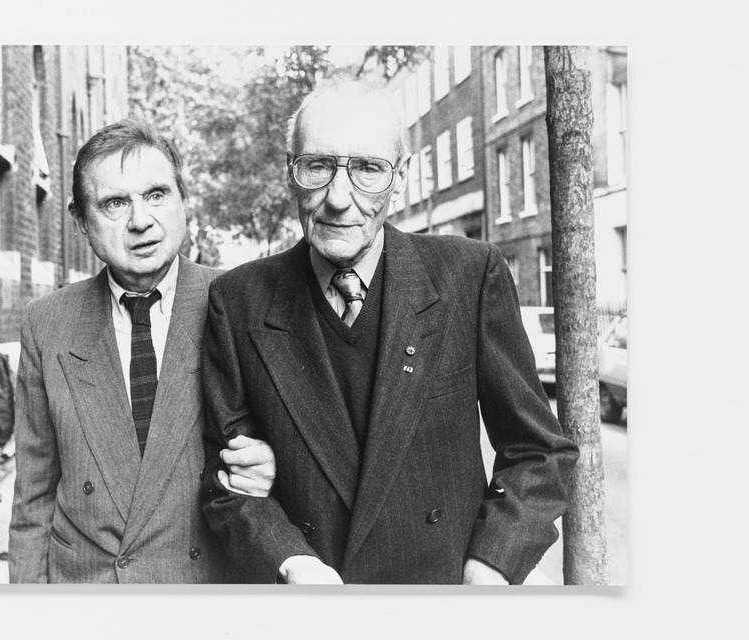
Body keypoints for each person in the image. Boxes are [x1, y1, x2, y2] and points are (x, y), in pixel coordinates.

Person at [201, 80, 580, 585]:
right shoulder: (238, 300)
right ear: (290, 172)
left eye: (368, 169)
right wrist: (291, 561)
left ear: (400, 177)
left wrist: (491, 564)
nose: (339, 198)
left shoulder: (469, 276)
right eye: (317, 166)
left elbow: (538, 452)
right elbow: (227, 486)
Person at [9, 117, 274, 583]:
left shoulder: (240, 303)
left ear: (183, 201)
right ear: (81, 222)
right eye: (114, 203)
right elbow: (33, 500)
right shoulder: (46, 323)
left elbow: (301, 462)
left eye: (156, 195)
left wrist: (272, 464)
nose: (141, 220)